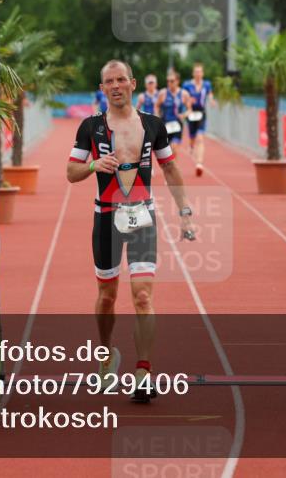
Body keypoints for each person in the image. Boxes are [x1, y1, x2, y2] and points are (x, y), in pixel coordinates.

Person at [67, 60, 195, 403]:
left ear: (133, 83)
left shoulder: (153, 125)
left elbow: (170, 169)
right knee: (107, 297)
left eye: (121, 79)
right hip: (106, 217)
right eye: (109, 81)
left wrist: (185, 213)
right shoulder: (90, 127)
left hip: (141, 215)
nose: (116, 85)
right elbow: (70, 172)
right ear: (102, 87)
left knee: (142, 296)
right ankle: (107, 355)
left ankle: (143, 370)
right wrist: (93, 164)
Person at [182, 63, 215, 177]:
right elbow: (183, 97)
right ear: (193, 73)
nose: (198, 74)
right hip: (191, 114)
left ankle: (199, 164)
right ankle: (191, 146)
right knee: (192, 138)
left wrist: (211, 101)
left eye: (200, 71)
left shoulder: (206, 84)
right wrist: (188, 101)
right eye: (196, 72)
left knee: (200, 138)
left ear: (203, 73)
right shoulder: (187, 85)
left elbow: (210, 94)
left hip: (201, 113)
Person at [156, 70, 190, 147]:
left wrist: (184, 115)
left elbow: (189, 109)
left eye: (172, 81)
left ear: (177, 81)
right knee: (166, 153)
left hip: (177, 125)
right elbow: (156, 106)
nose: (169, 83)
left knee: (174, 147)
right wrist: (157, 115)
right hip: (165, 125)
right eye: (168, 81)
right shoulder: (163, 93)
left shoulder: (184, 94)